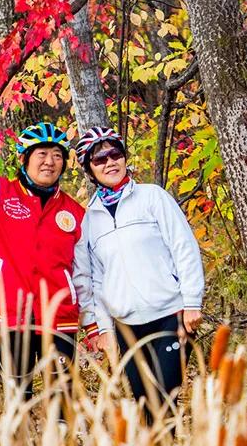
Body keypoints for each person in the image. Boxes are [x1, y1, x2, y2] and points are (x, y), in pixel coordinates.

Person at [0, 121, 95, 396]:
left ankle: (59, 441)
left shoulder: (74, 212)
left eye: (57, 155)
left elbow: (82, 274)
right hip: (12, 316)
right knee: (18, 401)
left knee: (61, 402)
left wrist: (93, 323)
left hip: (59, 319)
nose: (50, 162)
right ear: (24, 158)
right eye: (42, 154)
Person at [72, 126, 204, 420]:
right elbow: (94, 280)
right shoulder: (89, 220)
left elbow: (184, 247)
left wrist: (192, 301)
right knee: (145, 404)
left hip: (171, 315)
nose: (110, 162)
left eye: (115, 153)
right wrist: (102, 328)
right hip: (127, 327)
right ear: (90, 171)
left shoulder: (152, 198)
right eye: (99, 159)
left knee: (164, 398)